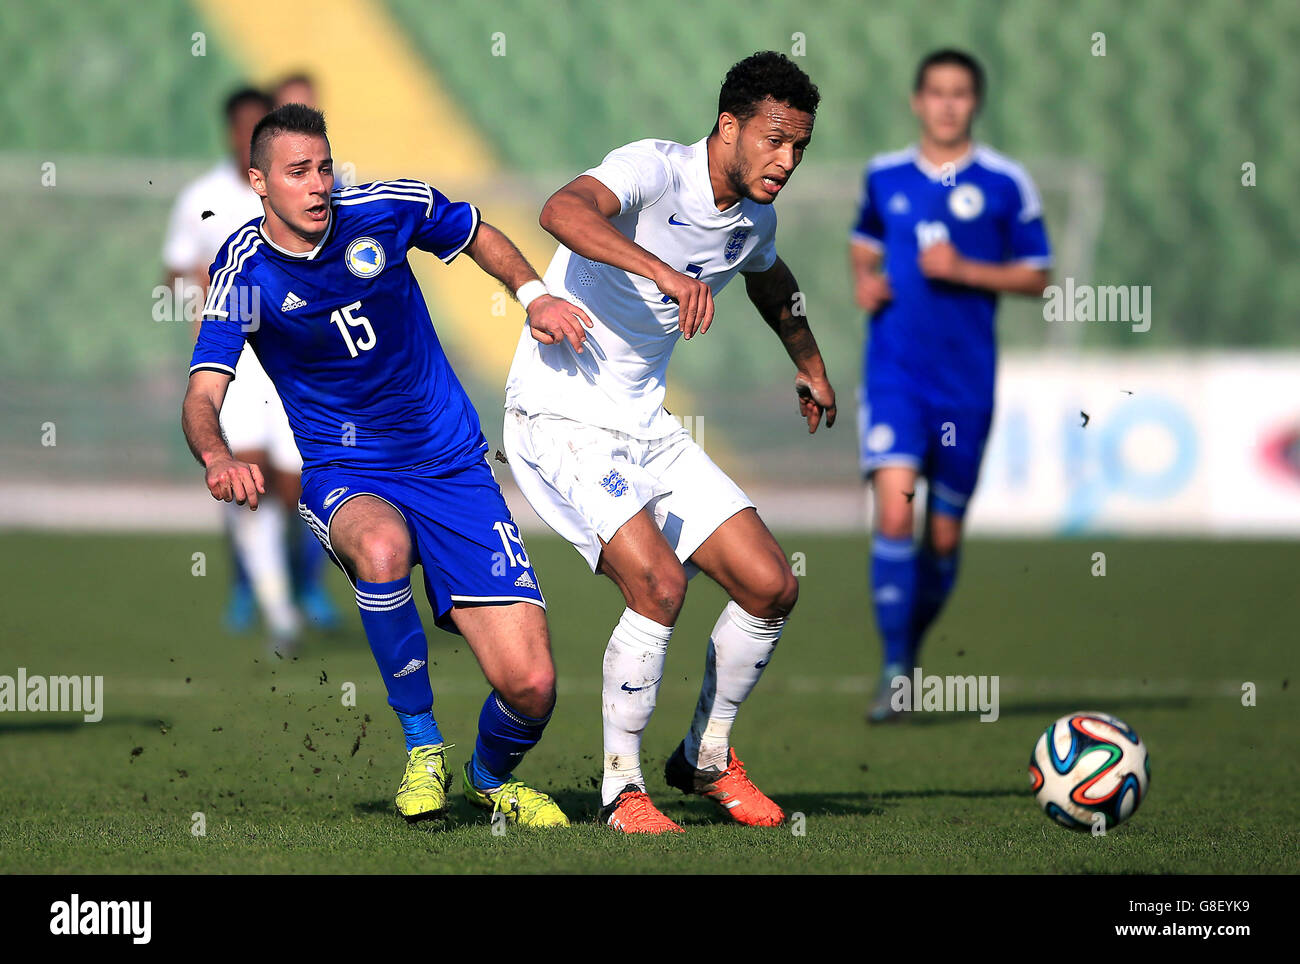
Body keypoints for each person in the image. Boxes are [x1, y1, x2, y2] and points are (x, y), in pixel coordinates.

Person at [182, 104, 594, 825]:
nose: (318, 185)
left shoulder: (386, 209)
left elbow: (476, 233)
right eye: (297, 172)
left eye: (324, 167)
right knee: (380, 547)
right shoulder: (242, 270)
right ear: (258, 182)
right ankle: (422, 745)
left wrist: (534, 296)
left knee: (531, 687)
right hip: (348, 473)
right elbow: (201, 392)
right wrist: (216, 456)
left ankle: (490, 776)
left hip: (452, 468)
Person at [503, 52, 836, 833]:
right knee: (657, 587)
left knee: (770, 585)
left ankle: (706, 757)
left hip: (646, 426)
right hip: (561, 414)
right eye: (775, 140)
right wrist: (663, 271)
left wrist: (810, 362)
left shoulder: (756, 217)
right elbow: (561, 210)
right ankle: (622, 790)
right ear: (729, 126)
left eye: (800, 148)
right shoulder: (654, 169)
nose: (785, 162)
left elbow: (768, 275)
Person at [848, 49, 1052, 722]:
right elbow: (864, 240)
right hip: (895, 373)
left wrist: (963, 268)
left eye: (959, 93)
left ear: (975, 102)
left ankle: (908, 645)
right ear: (917, 100)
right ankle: (893, 671)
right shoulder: (884, 175)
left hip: (966, 384)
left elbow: (1036, 276)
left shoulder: (1004, 183)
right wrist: (864, 279)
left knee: (941, 539)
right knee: (897, 512)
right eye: (935, 91)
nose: (946, 104)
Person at [162, 87, 338, 646]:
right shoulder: (201, 197)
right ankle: (276, 608)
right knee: (248, 474)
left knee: (297, 488)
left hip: (294, 359)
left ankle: (299, 582)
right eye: (240, 128)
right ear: (230, 132)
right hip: (236, 359)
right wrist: (202, 302)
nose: (247, 138)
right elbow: (175, 270)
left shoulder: (300, 188)